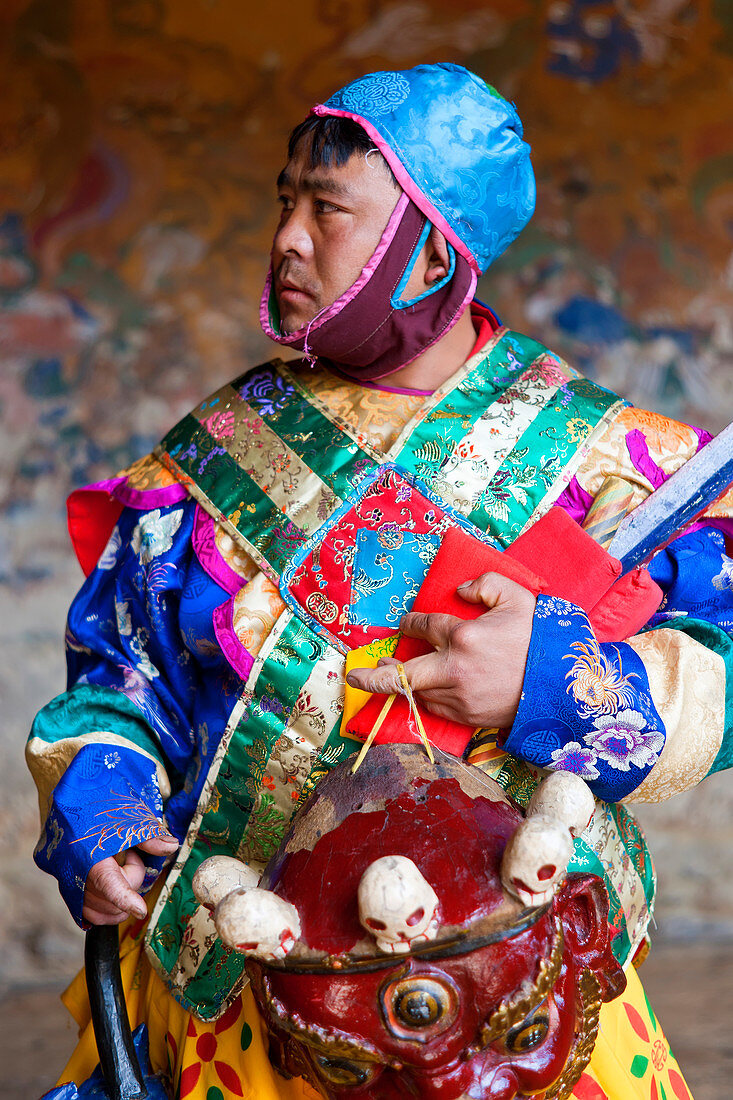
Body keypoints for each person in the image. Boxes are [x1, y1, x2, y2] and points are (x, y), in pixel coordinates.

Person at [29, 63, 732, 1099]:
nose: (287, 241)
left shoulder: (612, 464)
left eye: (327, 209)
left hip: (522, 985)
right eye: (284, 202)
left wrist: (550, 681)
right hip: (245, 979)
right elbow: (120, 678)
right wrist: (103, 794)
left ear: (430, 254)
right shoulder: (201, 468)